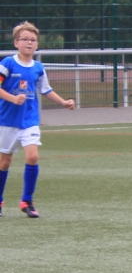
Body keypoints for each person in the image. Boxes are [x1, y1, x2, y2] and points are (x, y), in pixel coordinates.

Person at [0, 21, 76, 218]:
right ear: (16, 43)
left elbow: (45, 89)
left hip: (29, 120)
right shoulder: (7, 64)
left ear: (37, 44)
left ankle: (27, 201)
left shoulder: (38, 68)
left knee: (33, 157)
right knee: (4, 162)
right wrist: (12, 98)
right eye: (25, 39)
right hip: (7, 120)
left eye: (33, 40)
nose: (29, 42)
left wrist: (63, 102)